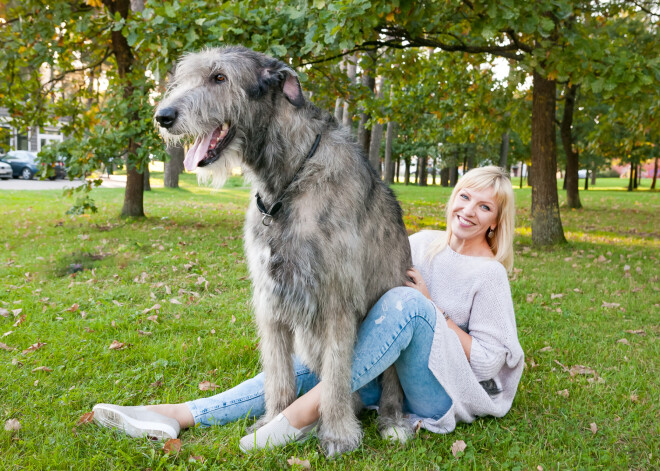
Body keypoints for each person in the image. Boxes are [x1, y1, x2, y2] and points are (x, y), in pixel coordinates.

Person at [93, 165, 524, 452]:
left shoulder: (489, 276)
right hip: (387, 380)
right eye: (465, 197)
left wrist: (434, 311)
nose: (468, 210)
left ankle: (299, 416)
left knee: (409, 304)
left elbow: (488, 361)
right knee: (309, 361)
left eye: (483, 207)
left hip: (441, 392)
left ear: (494, 222)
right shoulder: (422, 241)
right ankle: (176, 415)